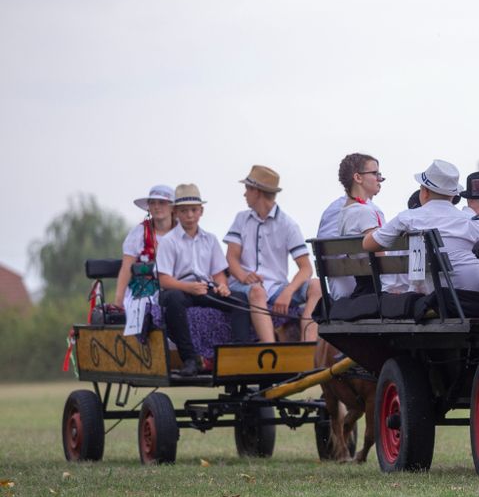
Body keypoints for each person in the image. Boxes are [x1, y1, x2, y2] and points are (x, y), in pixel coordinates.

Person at [156, 184, 254, 377]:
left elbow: (218, 273)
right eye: (184, 211)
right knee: (174, 300)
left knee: (240, 299)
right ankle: (190, 359)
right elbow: (164, 280)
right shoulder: (168, 241)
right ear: (176, 213)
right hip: (179, 288)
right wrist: (188, 287)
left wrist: (222, 287)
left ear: (201, 211)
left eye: (193, 210)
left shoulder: (210, 239)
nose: (190, 215)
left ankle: (238, 354)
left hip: (203, 288)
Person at [363, 159, 479, 294]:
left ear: (424, 191)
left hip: (439, 291)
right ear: (453, 195)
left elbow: (368, 245)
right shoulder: (472, 220)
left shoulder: (409, 218)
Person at [224, 165, 322, 342]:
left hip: (277, 288)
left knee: (317, 286)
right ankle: (270, 349)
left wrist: (288, 292)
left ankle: (309, 346)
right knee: (257, 292)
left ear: (257, 191)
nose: (244, 194)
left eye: (247, 188)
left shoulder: (288, 225)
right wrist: (244, 276)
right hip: (243, 286)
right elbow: (231, 257)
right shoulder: (241, 219)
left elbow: (306, 268)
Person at [316, 153, 387, 300]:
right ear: (358, 178)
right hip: (374, 290)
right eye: (375, 173)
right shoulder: (364, 211)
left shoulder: (344, 211)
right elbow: (381, 260)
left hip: (361, 287)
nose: (380, 179)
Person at [114, 185, 177, 336]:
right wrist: (118, 300)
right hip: (144, 289)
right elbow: (126, 268)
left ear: (172, 208)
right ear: (148, 207)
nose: (157, 207)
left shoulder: (182, 232)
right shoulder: (139, 233)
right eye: (153, 203)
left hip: (176, 286)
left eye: (162, 203)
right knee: (145, 306)